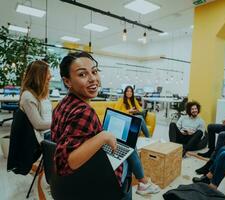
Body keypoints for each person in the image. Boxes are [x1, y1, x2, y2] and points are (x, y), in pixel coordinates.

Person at [51, 52, 127, 196]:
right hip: (91, 181)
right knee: (127, 159)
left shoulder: (62, 105)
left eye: (94, 71)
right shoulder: (84, 111)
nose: (93, 79)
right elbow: (65, 163)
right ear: (67, 82)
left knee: (127, 148)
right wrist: (103, 136)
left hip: (69, 183)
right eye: (82, 74)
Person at [115, 86, 160, 195]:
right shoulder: (121, 101)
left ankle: (146, 137)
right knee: (139, 119)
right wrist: (129, 111)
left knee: (139, 117)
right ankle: (148, 138)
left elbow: (140, 109)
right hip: (125, 121)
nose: (129, 93)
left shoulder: (133, 100)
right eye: (128, 91)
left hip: (133, 120)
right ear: (125, 92)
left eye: (131, 91)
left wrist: (137, 109)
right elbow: (117, 112)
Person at [20, 60, 52, 143]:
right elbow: (38, 124)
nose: (50, 76)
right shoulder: (28, 96)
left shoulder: (42, 93)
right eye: (47, 73)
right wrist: (59, 124)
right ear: (39, 76)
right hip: (43, 136)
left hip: (49, 131)